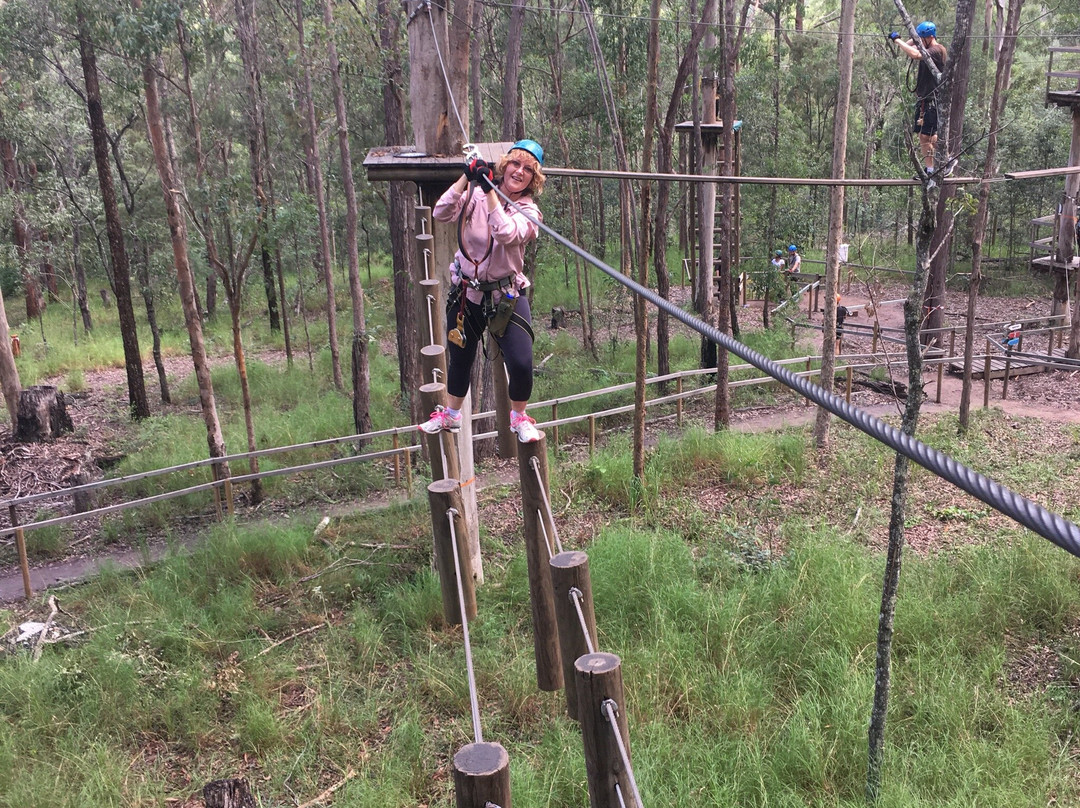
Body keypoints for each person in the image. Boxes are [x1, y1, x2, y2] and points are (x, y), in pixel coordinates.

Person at [420, 139, 546, 443]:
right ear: (505, 165)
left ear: (533, 179)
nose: (519, 171)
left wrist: (489, 191)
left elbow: (505, 233)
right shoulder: (475, 195)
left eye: (528, 169)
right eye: (515, 163)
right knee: (460, 356)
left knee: (521, 362)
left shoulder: (529, 212)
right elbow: (441, 213)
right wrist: (467, 178)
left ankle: (519, 418)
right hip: (467, 293)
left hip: (505, 295)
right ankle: (451, 415)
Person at [890, 21, 947, 175]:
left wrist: (897, 40)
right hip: (924, 100)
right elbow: (912, 45)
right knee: (925, 136)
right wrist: (911, 37)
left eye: (922, 39)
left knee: (927, 135)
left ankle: (946, 160)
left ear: (930, 37)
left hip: (933, 101)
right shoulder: (926, 47)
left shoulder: (937, 50)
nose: (919, 42)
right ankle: (931, 169)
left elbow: (915, 54)